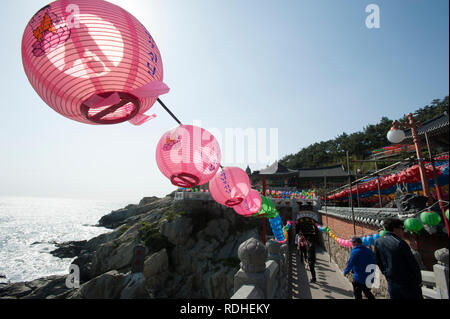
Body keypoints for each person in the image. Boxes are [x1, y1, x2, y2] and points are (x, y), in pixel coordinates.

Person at [374, 218, 423, 299]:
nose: (403, 231)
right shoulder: (400, 242)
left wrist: (386, 273)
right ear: (395, 229)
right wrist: (419, 280)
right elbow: (412, 263)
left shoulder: (378, 242)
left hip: (391, 281)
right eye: (402, 228)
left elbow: (378, 261)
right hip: (408, 282)